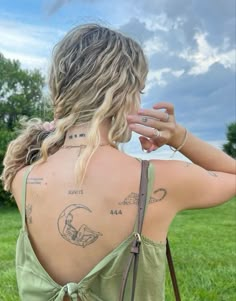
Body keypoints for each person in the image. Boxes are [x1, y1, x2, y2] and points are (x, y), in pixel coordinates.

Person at [1, 23, 235, 301]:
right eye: (139, 92)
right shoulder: (157, 179)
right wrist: (178, 137)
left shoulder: (22, 179)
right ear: (124, 95)